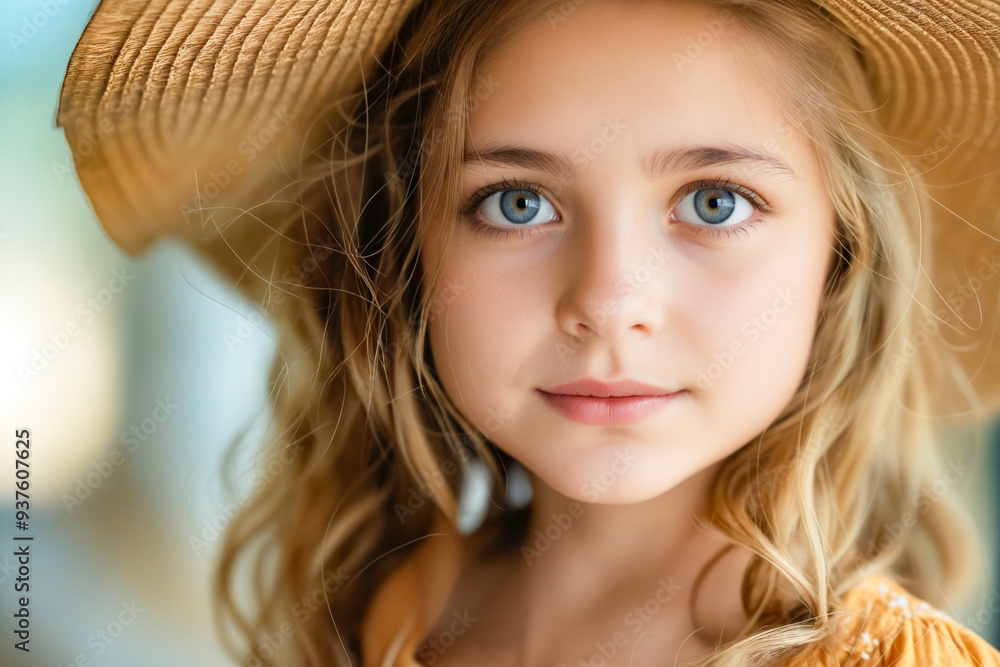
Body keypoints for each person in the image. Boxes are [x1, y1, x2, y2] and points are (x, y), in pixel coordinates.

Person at [56, 0, 1000, 665]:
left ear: (843, 256)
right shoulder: (395, 610)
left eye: (715, 202)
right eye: (517, 202)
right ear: (404, 250)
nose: (606, 298)